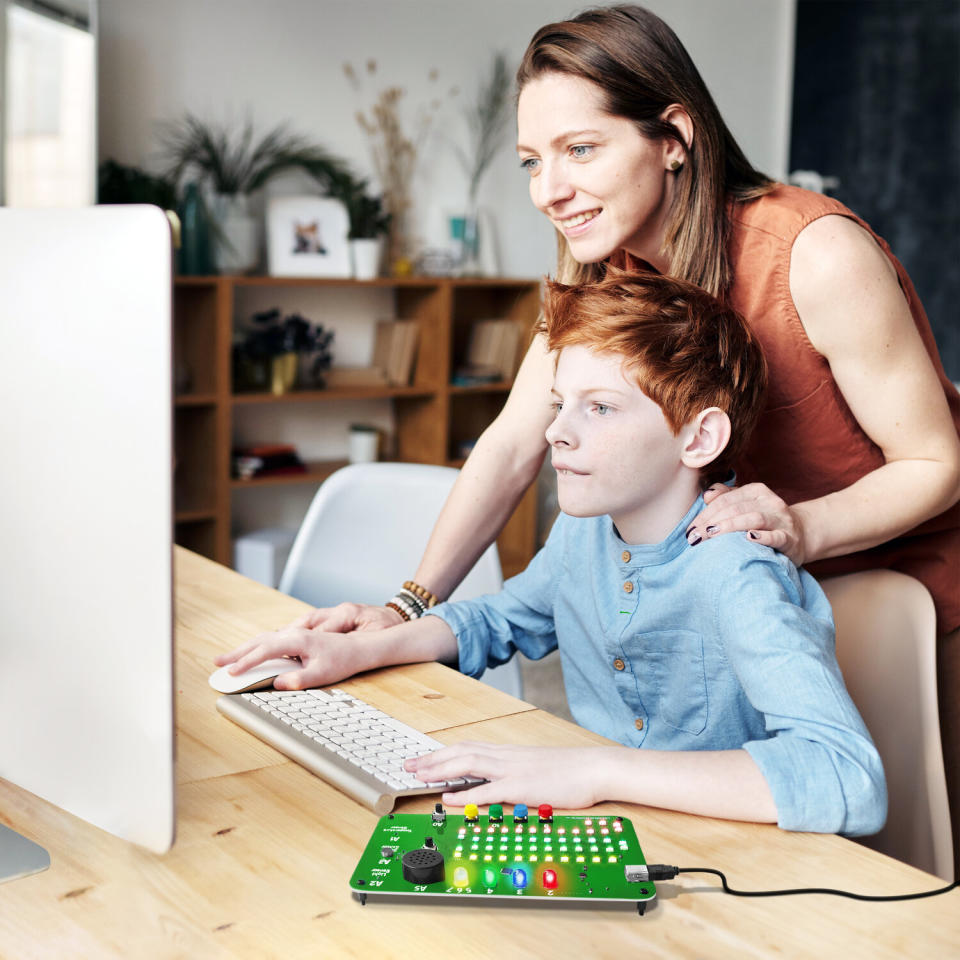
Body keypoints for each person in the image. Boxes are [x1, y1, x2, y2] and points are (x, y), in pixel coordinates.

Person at [283, 4, 960, 863]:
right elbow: (512, 441)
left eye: (580, 150)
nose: (547, 190)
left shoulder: (814, 254)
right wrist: (401, 609)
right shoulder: (602, 270)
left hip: (896, 592)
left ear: (673, 136)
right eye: (532, 161)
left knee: (908, 860)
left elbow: (937, 462)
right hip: (744, 588)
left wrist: (800, 525)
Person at [216, 270, 886, 835]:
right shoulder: (585, 531)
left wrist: (592, 769)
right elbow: (503, 618)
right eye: (560, 403)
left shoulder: (734, 569)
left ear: (699, 437)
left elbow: (845, 774)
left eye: (599, 409)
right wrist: (366, 646)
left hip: (727, 851)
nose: (556, 433)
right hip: (619, 825)